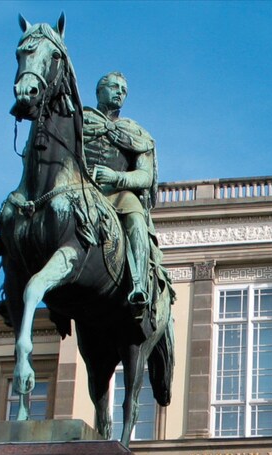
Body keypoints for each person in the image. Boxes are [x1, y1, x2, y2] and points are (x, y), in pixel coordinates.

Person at [83, 71, 159, 314]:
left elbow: (145, 176)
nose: (119, 92)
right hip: (81, 190)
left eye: (123, 90)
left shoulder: (135, 133)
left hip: (118, 194)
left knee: (136, 220)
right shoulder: (78, 121)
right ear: (98, 90)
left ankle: (138, 285)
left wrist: (116, 178)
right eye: (114, 87)